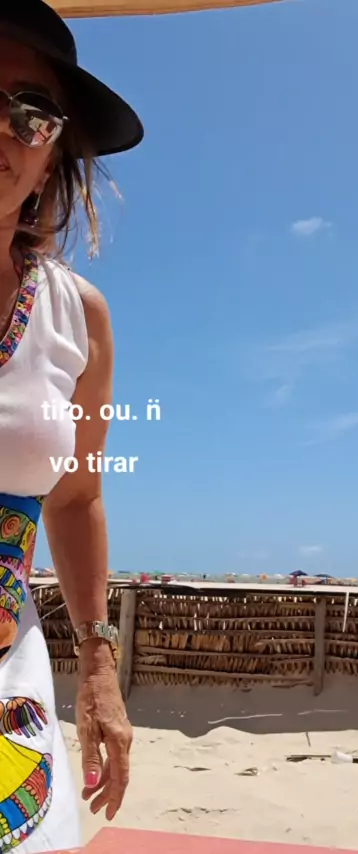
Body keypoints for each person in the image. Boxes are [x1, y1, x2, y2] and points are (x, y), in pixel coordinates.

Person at [0, 2, 144, 851]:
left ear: (51, 149)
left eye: (29, 111)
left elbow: (77, 496)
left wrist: (98, 667)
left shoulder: (76, 316)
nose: (2, 129)